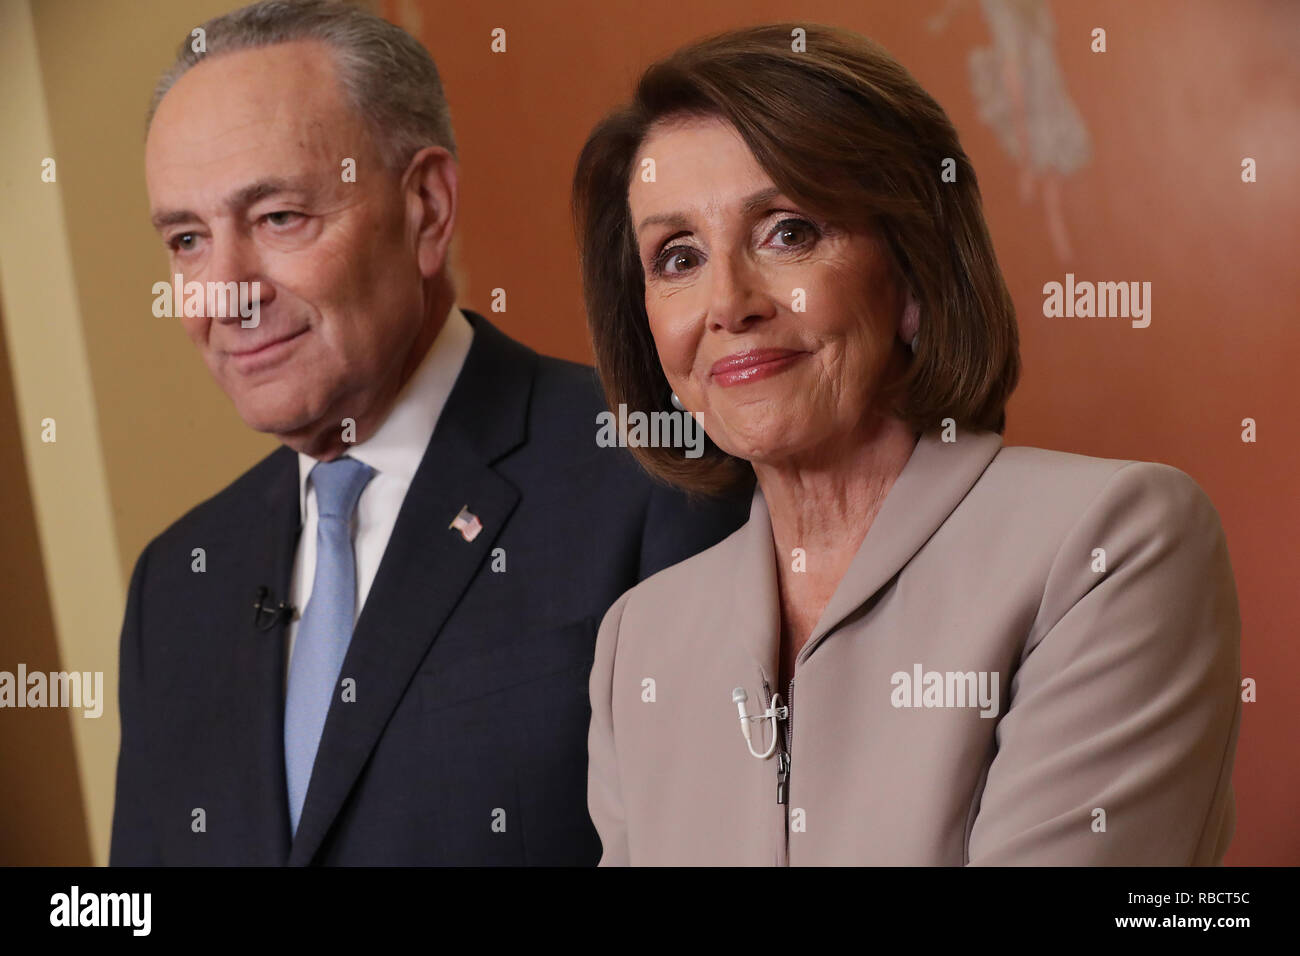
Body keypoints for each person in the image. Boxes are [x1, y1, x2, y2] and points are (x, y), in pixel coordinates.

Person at [572, 22, 1242, 865]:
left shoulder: (1111, 543)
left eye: (787, 231)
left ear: (914, 271)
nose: (726, 302)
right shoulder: (642, 638)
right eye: (677, 256)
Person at [110, 0, 748, 866]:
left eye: (278, 219)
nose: (226, 292)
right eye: (187, 240)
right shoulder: (175, 587)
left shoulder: (652, 471)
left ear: (426, 206)